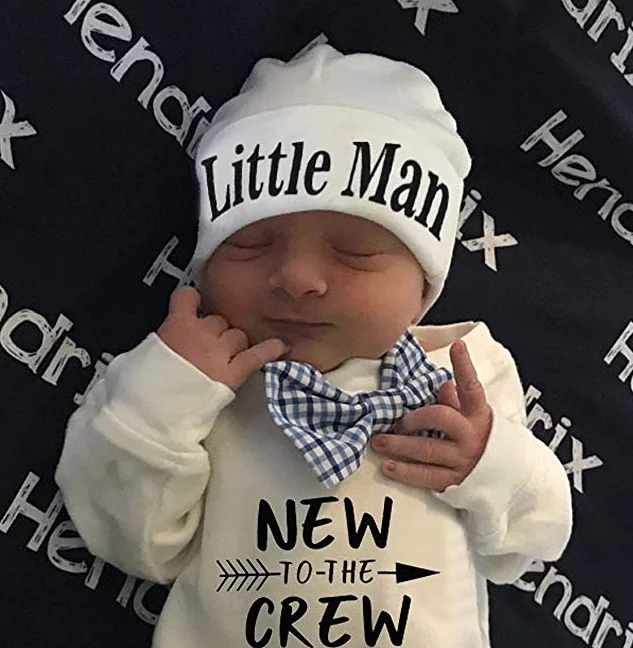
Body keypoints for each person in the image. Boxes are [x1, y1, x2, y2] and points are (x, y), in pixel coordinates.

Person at [55, 44, 573, 647]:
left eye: (355, 251)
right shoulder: (191, 387)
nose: (296, 277)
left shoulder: (463, 377)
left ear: (423, 288)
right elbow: (133, 544)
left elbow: (528, 546)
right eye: (250, 244)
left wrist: (491, 460)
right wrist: (161, 398)